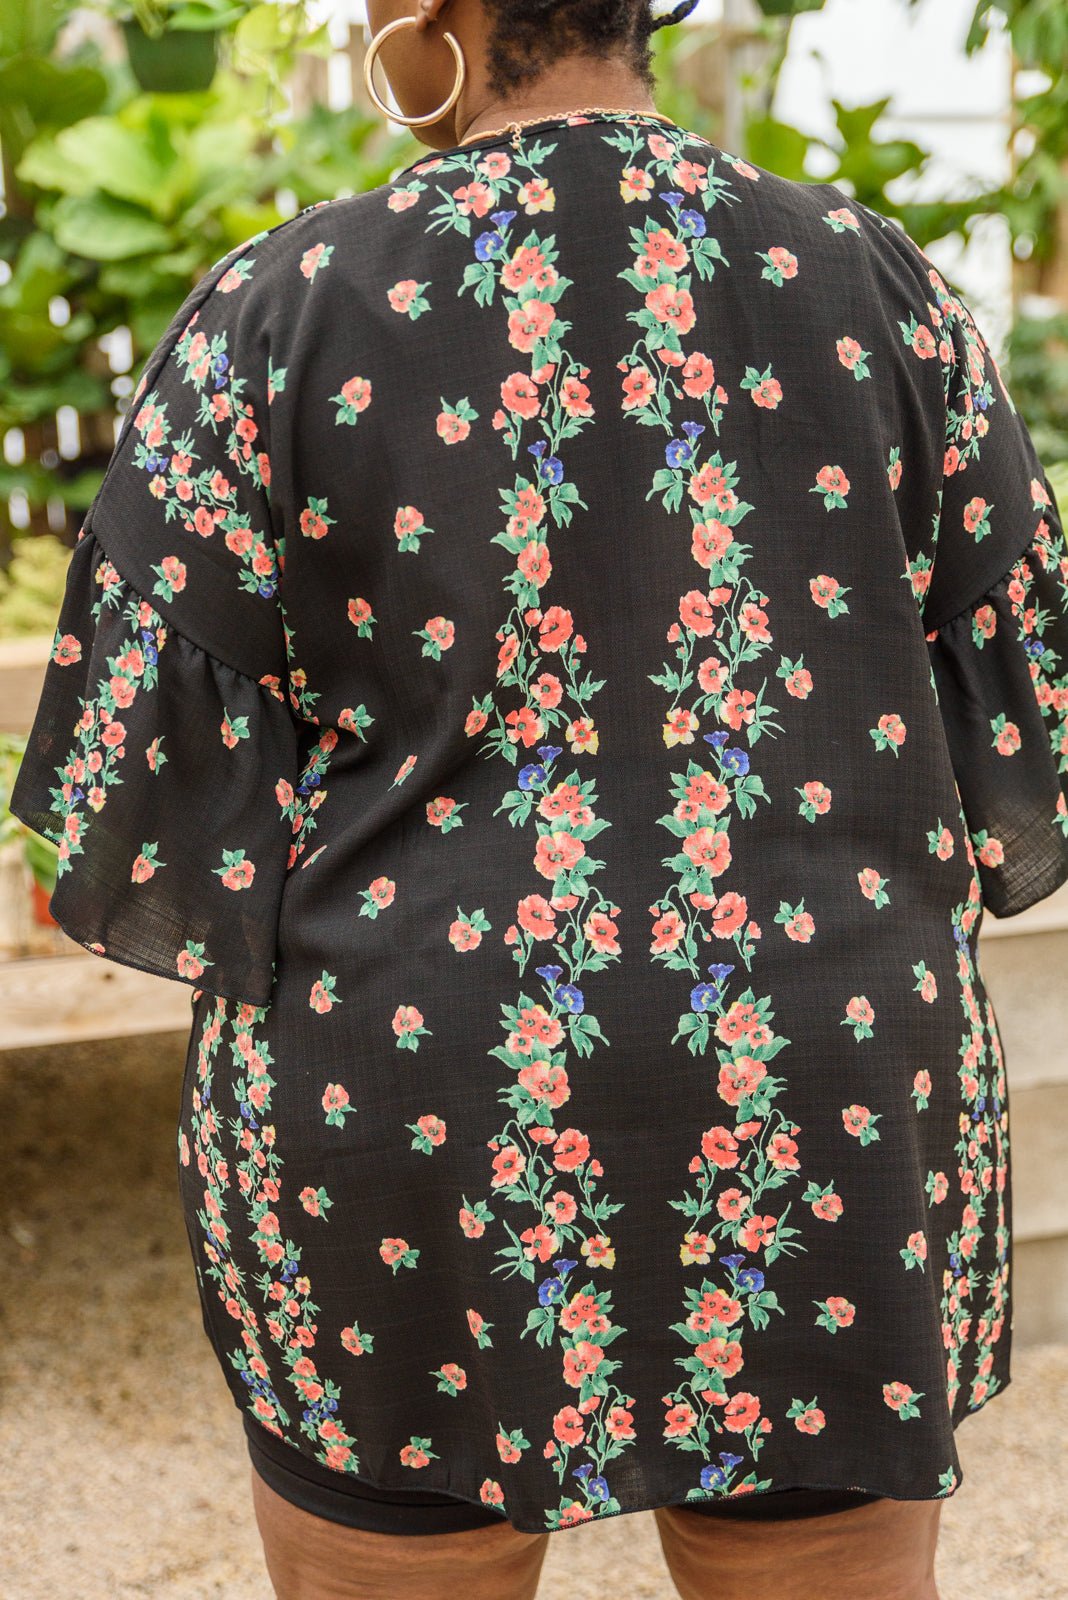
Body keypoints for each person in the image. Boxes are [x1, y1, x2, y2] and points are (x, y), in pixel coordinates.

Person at [11, 0, 1068, 1595]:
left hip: (407, 1104)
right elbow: (1022, 706)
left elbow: (150, 781)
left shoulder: (288, 302)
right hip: (820, 1088)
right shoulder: (874, 285)